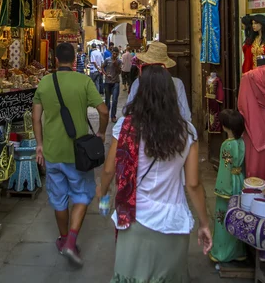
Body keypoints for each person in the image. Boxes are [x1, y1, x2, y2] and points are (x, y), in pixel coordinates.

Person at [99, 65, 212, 283]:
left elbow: (108, 169)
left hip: (134, 219)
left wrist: (102, 192)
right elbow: (193, 185)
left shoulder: (125, 127)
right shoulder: (187, 131)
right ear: (171, 94)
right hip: (173, 222)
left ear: (140, 93)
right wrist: (204, 223)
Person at [32, 42, 109, 267]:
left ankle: (64, 238)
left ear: (55, 60)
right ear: (75, 60)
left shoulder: (44, 83)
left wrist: (39, 145)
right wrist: (102, 132)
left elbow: (36, 118)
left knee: (58, 198)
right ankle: (71, 241)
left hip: (52, 151)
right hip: (79, 153)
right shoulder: (84, 81)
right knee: (82, 195)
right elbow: (103, 110)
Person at [209, 109, 246, 264]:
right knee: (237, 215)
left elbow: (225, 167)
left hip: (228, 182)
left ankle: (222, 252)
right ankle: (238, 251)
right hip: (239, 180)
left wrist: (222, 188)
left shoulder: (226, 145)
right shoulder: (241, 142)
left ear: (225, 126)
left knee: (222, 217)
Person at [127, 41, 191, 122]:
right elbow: (185, 115)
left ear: (146, 64)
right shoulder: (177, 83)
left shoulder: (138, 82)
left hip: (142, 128)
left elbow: (129, 111)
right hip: (171, 129)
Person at [102, 47, 122, 123]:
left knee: (114, 100)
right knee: (107, 100)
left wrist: (116, 65)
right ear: (112, 53)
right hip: (107, 82)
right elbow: (102, 67)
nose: (115, 55)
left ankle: (113, 116)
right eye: (114, 53)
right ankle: (106, 115)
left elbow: (120, 72)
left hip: (116, 82)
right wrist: (106, 74)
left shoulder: (119, 61)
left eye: (116, 54)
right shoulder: (107, 60)